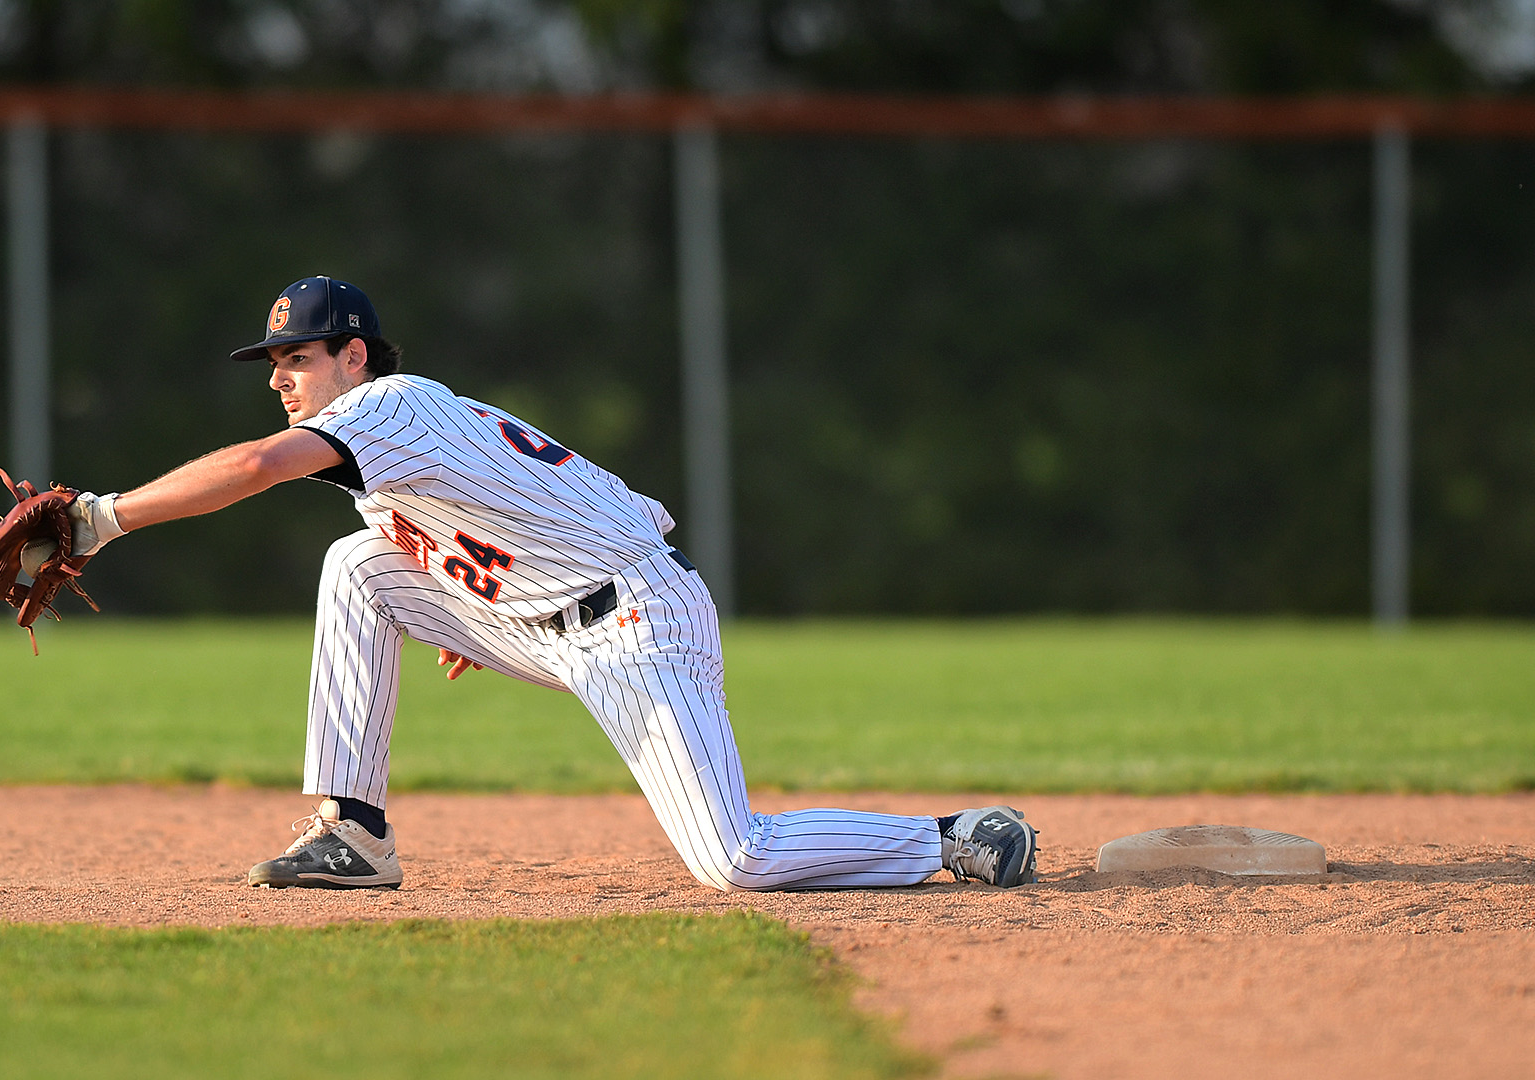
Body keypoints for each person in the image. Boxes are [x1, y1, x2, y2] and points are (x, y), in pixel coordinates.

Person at [67, 276, 1038, 892]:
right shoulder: (381, 455)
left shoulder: (388, 406)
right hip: (548, 620)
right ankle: (352, 832)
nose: (281, 377)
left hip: (639, 620)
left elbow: (251, 469)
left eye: (299, 358)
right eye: (272, 364)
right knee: (360, 565)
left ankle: (950, 837)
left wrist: (101, 516)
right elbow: (484, 519)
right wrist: (471, 611)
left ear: (353, 356)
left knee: (733, 858)